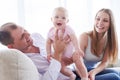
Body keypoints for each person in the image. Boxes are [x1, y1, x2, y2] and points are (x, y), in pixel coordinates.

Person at [0, 22, 70, 80]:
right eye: (22, 37)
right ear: (11, 46)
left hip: (73, 68)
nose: (28, 35)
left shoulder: (36, 36)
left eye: (24, 30)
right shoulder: (24, 62)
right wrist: (57, 54)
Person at [46, 7, 88, 80]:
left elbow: (74, 38)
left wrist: (77, 49)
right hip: (61, 57)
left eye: (63, 18)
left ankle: (85, 77)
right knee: (59, 66)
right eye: (56, 17)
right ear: (51, 19)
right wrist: (48, 53)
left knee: (78, 58)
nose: (59, 19)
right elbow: (48, 43)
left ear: (67, 21)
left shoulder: (68, 29)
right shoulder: (50, 31)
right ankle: (71, 74)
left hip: (71, 54)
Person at [78, 8, 120, 80]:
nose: (100, 23)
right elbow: (77, 61)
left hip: (90, 70)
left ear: (110, 24)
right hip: (76, 72)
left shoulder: (109, 41)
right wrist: (84, 77)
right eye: (98, 19)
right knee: (114, 77)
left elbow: (104, 62)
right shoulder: (84, 36)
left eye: (105, 20)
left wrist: (94, 72)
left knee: (117, 73)